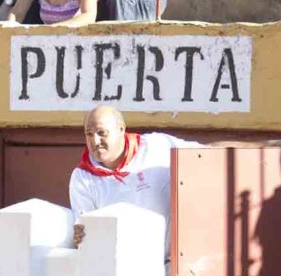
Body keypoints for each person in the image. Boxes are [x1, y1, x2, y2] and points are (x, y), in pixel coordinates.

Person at [70, 105, 201, 250]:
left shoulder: (156, 146)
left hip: (171, 262)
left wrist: (229, 150)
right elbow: (85, 234)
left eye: (102, 133)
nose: (95, 141)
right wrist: (81, 239)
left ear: (121, 129)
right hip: (122, 267)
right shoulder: (82, 177)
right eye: (89, 134)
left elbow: (203, 155)